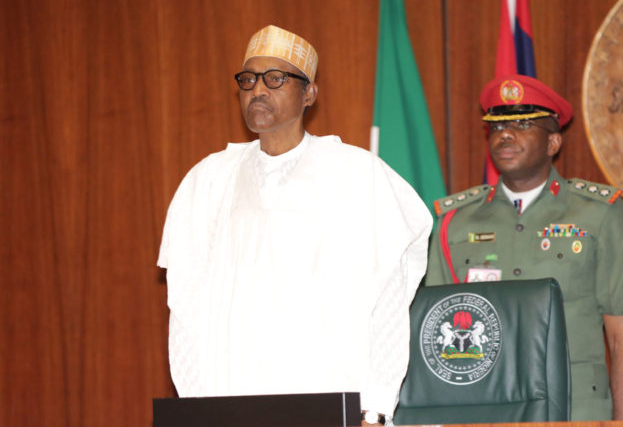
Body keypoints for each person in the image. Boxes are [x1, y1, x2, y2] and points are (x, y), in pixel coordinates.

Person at [158, 25, 432, 425]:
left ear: (309, 94)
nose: (258, 91)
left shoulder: (358, 175)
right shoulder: (208, 180)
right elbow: (184, 306)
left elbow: (389, 299)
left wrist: (375, 405)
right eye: (248, 80)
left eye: (275, 79)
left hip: (328, 399)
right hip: (231, 400)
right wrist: (197, 404)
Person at [424, 74, 623, 421]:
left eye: (523, 124)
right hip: (484, 410)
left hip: (576, 410)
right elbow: (437, 338)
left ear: (553, 144)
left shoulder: (598, 214)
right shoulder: (454, 222)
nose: (506, 134)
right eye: (497, 126)